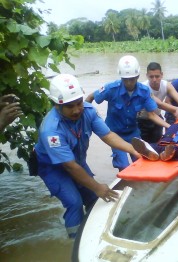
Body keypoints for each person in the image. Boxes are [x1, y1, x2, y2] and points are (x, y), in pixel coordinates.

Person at [35, 74, 141, 238]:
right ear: (56, 105)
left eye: (79, 103)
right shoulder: (51, 130)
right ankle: (74, 240)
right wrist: (98, 186)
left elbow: (108, 135)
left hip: (76, 161)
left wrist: (133, 150)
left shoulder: (88, 111)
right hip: (53, 167)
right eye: (70, 106)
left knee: (93, 198)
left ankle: (95, 234)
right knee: (74, 202)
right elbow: (69, 166)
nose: (77, 109)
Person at [85, 55, 170, 170]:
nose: (129, 82)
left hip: (133, 133)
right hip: (114, 134)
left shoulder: (144, 91)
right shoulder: (111, 88)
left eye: (132, 79)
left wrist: (169, 126)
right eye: (126, 79)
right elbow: (90, 97)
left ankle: (141, 183)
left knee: (142, 160)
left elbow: (152, 114)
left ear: (138, 76)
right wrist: (88, 117)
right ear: (121, 77)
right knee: (124, 165)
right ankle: (125, 181)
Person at [138, 62, 178, 143]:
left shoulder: (166, 85)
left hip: (158, 118)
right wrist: (177, 110)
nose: (154, 80)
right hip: (143, 121)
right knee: (144, 148)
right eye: (151, 77)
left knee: (158, 145)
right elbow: (159, 104)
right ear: (146, 76)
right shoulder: (143, 88)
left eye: (157, 76)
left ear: (162, 75)